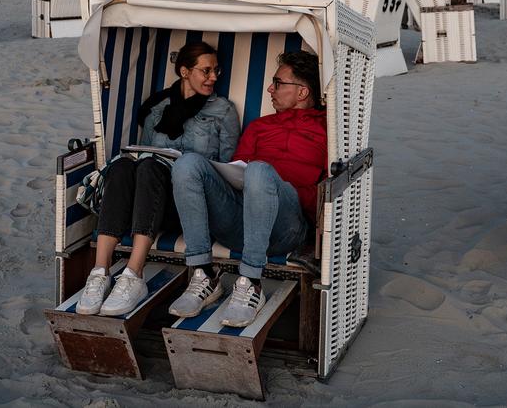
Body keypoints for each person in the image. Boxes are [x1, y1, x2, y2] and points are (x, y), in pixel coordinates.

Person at [77, 41, 241, 317]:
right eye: (206, 70)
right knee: (124, 168)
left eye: (217, 71)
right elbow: (144, 154)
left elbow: (225, 167)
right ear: (185, 71)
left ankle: (134, 273)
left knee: (151, 168)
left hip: (192, 203)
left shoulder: (222, 111)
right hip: (153, 203)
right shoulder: (157, 108)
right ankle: (99, 272)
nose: (214, 77)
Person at [168, 51, 326, 327]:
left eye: (278, 83)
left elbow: (327, 192)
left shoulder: (326, 130)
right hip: (238, 223)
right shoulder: (259, 127)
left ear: (302, 92)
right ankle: (203, 274)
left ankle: (251, 283)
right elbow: (235, 171)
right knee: (188, 164)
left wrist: (270, 189)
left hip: (286, 227)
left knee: (259, 169)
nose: (270, 89)